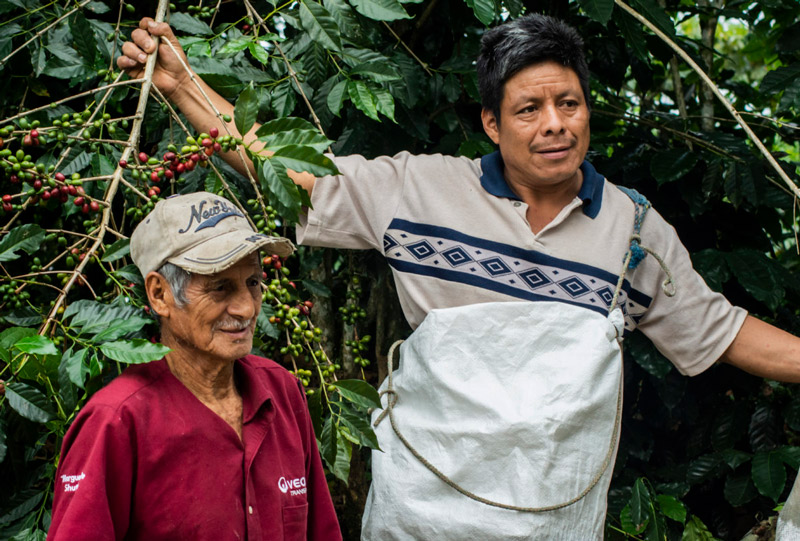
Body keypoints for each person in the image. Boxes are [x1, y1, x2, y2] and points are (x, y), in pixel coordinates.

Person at [118, 14, 800, 539]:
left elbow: (720, 331)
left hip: (554, 517)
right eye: (529, 109)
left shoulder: (632, 231)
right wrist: (183, 84)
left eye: (569, 103)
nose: (554, 124)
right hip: (424, 512)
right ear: (492, 122)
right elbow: (291, 168)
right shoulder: (418, 189)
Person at [49, 192, 343, 541]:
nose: (247, 309)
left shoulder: (281, 391)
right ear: (160, 295)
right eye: (220, 288)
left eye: (252, 283)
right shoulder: (116, 422)